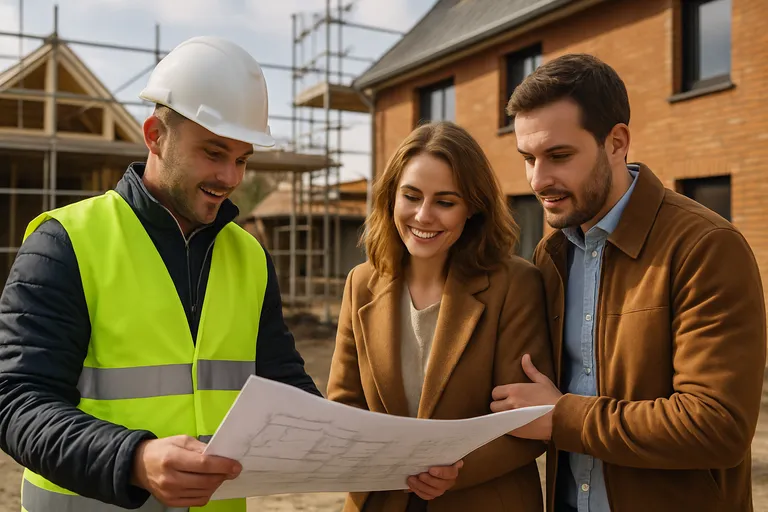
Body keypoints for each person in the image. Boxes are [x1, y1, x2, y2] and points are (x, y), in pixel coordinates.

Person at [0, 36, 321, 512]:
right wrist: (133, 458)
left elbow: (283, 386)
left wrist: (384, 450)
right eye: (214, 153)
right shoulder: (64, 243)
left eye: (241, 159)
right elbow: (16, 401)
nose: (231, 178)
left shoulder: (249, 256)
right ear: (155, 135)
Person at [490, 53, 766, 512]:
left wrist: (563, 417)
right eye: (528, 158)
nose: (539, 180)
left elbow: (716, 426)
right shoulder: (550, 253)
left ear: (617, 142)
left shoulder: (706, 246)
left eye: (559, 155)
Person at [327, 120, 554, 512]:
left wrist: (455, 470)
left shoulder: (516, 284)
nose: (423, 215)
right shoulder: (360, 282)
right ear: (390, 198)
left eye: (445, 202)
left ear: (473, 209)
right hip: (378, 500)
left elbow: (527, 425)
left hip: (481, 500)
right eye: (411, 196)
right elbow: (344, 404)